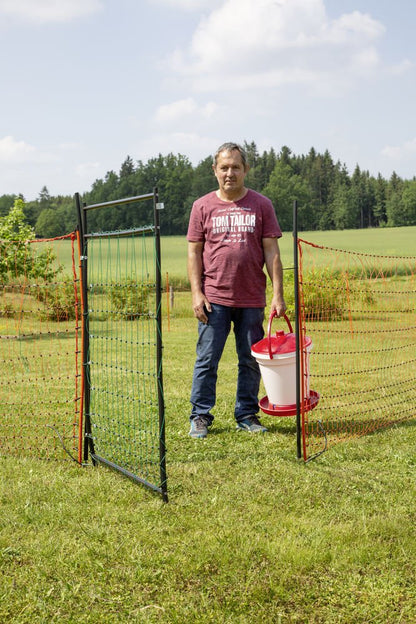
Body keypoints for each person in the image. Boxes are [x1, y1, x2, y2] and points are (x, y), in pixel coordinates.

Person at [187, 142, 286, 439]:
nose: (230, 173)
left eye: (236, 167)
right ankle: (200, 416)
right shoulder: (202, 206)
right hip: (214, 298)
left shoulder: (261, 204)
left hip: (252, 298)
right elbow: (193, 252)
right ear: (215, 171)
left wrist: (278, 294)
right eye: (224, 167)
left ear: (245, 170)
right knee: (207, 360)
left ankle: (246, 414)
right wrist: (196, 293)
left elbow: (272, 252)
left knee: (250, 360)